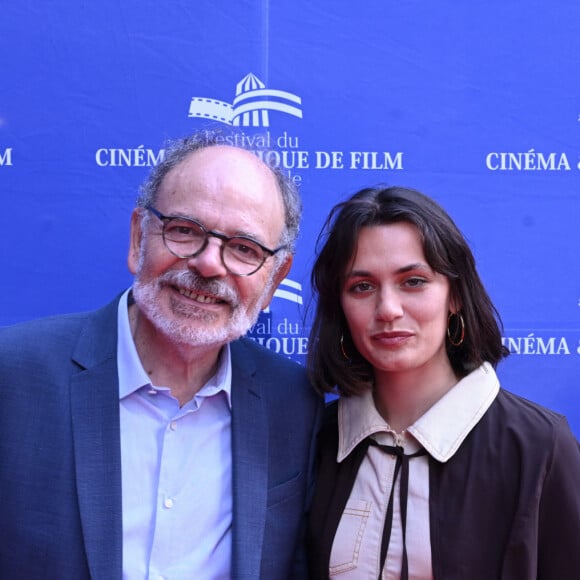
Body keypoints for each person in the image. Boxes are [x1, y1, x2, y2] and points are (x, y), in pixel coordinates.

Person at [0, 129, 323, 579]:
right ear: (139, 238)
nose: (210, 264)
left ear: (274, 278)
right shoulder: (12, 377)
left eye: (244, 249)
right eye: (185, 231)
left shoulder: (295, 404)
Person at [306, 186, 580, 579]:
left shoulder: (539, 445)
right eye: (362, 286)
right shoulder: (314, 438)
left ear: (454, 295)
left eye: (413, 281)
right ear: (340, 305)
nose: (388, 309)